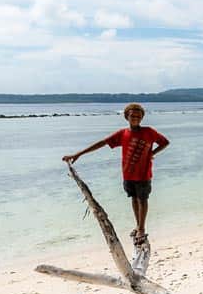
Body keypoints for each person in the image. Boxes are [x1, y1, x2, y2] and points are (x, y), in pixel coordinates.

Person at [62, 103, 170, 245]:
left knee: (142, 200)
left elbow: (165, 142)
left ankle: (142, 229)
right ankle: (138, 225)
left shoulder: (149, 131)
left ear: (142, 117)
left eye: (138, 116)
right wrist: (78, 154)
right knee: (134, 198)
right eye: (132, 116)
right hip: (128, 174)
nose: (135, 118)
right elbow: (102, 143)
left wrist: (151, 153)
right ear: (126, 117)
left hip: (144, 174)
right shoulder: (122, 134)